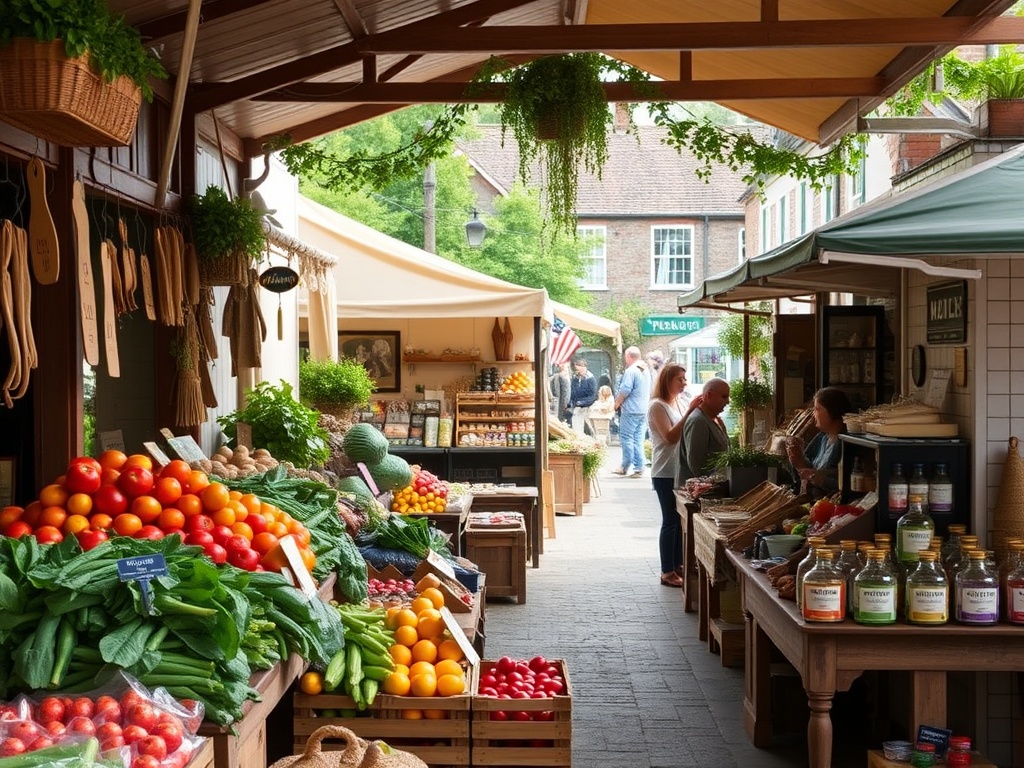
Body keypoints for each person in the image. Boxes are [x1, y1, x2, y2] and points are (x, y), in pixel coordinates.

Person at [648, 363, 689, 587]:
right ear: (667, 381)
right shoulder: (657, 406)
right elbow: (670, 437)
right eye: (679, 379)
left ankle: (677, 565)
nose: (684, 383)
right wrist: (691, 411)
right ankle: (666, 571)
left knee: (679, 520)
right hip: (665, 471)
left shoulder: (676, 403)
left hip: (679, 470)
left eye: (684, 379)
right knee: (670, 521)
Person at [786, 386, 854, 498]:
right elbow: (808, 471)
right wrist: (797, 459)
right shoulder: (822, 438)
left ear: (833, 411)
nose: (814, 414)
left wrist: (818, 478)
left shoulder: (846, 443)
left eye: (817, 409)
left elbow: (848, 485)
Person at [677, 377, 731, 485]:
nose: (728, 402)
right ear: (708, 395)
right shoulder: (698, 421)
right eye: (724, 397)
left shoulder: (714, 419)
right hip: (700, 491)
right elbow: (697, 467)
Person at [612, 346, 652, 477]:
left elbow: (625, 389)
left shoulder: (631, 371)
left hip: (630, 409)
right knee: (638, 439)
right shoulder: (646, 370)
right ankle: (639, 467)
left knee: (627, 438)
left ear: (628, 356)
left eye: (625, 357)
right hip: (642, 409)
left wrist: (617, 403)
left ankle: (625, 466)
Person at [568, 357, 597, 434]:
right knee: (576, 424)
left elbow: (593, 396)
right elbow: (572, 392)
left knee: (588, 426)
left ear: (583, 367)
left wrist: (581, 402)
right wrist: (571, 402)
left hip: (588, 407)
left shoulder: (591, 379)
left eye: (577, 367)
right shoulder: (575, 378)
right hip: (576, 406)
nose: (576, 369)